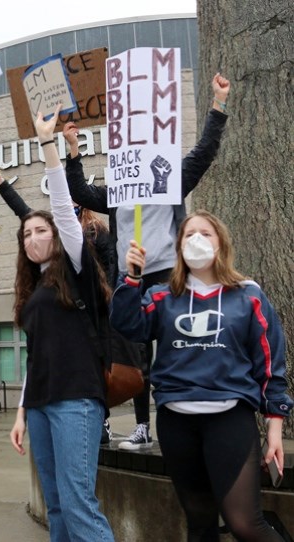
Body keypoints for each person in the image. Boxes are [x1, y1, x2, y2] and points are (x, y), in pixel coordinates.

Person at [65, 73, 231, 450]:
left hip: (169, 276)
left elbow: (204, 152)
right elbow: (80, 191)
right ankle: (138, 424)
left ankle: (172, 418)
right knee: (131, 355)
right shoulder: (118, 193)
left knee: (174, 346)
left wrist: (218, 104)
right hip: (131, 281)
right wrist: (74, 149)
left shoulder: (172, 181)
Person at [111, 210, 292, 540]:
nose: (196, 239)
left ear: (221, 242)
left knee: (245, 524)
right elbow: (127, 326)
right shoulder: (162, 297)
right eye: (188, 234)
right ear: (178, 248)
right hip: (176, 423)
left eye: (205, 233)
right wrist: (132, 279)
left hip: (229, 421)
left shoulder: (248, 295)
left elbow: (270, 365)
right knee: (199, 523)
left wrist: (275, 428)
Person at [7, 105, 115, 542]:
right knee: (55, 507)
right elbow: (36, 356)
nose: (33, 238)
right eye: (26, 234)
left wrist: (48, 143)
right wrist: (20, 413)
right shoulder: (31, 293)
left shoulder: (76, 268)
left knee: (77, 503)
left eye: (41, 230)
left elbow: (65, 213)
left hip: (77, 400)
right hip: (40, 406)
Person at [0, 165, 117, 443]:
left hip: (93, 299)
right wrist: (2, 185)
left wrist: (107, 292)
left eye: (73, 200)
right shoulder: (53, 241)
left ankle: (101, 419)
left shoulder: (94, 232)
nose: (67, 204)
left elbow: (110, 264)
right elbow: (26, 215)